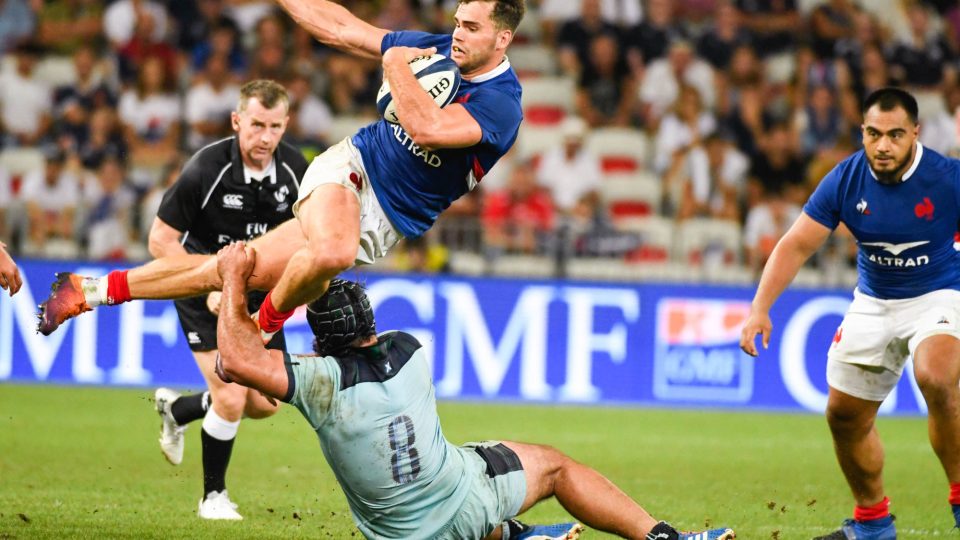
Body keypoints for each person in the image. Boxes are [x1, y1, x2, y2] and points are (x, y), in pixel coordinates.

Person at [37, 0, 526, 340]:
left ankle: (90, 290)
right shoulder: (439, 47)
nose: (458, 34)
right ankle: (261, 331)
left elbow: (424, 127)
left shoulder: (500, 106)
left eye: (472, 28)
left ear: (503, 39)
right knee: (332, 252)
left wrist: (395, 61)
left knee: (236, 267)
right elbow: (339, 28)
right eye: (458, 22)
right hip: (352, 167)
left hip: (388, 219)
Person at [212, 241, 737, 540]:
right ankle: (665, 539)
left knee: (442, 481)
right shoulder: (409, 348)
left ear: (321, 340)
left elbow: (235, 360)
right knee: (549, 467)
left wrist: (234, 278)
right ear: (372, 320)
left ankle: (517, 537)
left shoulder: (317, 381)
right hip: (464, 506)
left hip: (401, 538)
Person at [740, 87, 960, 539]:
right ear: (862, 132)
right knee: (842, 415)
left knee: (936, 375)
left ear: (915, 133)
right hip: (875, 300)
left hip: (940, 293)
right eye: (874, 134)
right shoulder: (845, 179)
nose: (883, 146)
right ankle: (873, 525)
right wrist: (759, 308)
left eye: (896, 135)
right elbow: (796, 244)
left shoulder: (948, 179)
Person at [149, 79, 308, 520]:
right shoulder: (206, 168)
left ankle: (180, 409)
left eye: (275, 126)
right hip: (203, 291)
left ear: (286, 125)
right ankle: (212, 498)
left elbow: (305, 243)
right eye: (256, 124)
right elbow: (160, 241)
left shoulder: (296, 172)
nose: (265, 137)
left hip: (257, 301)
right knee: (233, 396)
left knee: (267, 403)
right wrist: (211, 287)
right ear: (237, 121)